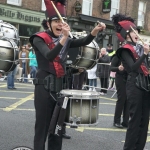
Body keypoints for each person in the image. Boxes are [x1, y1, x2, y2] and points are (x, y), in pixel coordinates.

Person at [29, 0, 106, 150]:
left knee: (57, 130)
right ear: (48, 23)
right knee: (42, 130)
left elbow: (84, 41)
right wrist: (64, 38)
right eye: (56, 21)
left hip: (61, 91)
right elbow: (49, 55)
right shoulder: (39, 38)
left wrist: (95, 30)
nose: (60, 24)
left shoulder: (67, 39)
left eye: (62, 21)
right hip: (44, 89)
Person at [112, 13, 150, 150]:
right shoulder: (124, 49)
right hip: (134, 85)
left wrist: (147, 55)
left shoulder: (140, 48)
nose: (137, 33)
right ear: (127, 34)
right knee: (134, 121)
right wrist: (145, 54)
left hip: (146, 85)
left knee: (144, 121)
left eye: (137, 31)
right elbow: (133, 67)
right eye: (134, 31)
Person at [110, 54, 129, 128]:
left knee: (128, 100)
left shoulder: (130, 55)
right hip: (120, 78)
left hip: (129, 78)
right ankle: (116, 121)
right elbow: (111, 68)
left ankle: (125, 121)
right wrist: (118, 68)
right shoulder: (117, 56)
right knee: (121, 99)